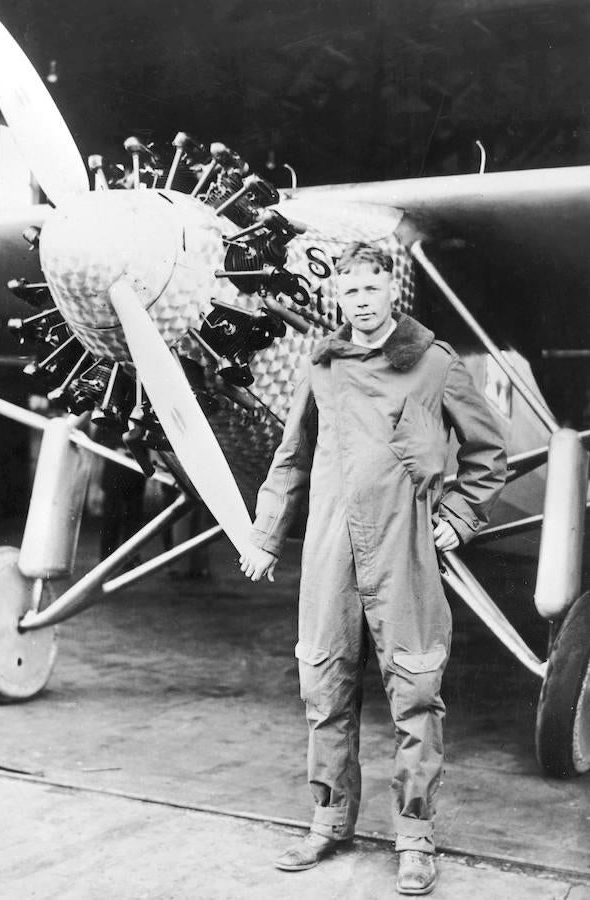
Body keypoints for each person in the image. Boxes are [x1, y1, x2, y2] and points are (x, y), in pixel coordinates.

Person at [240, 242, 506, 895]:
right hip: (331, 549)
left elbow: (487, 451)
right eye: (349, 291)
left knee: (415, 692)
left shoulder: (433, 364)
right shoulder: (322, 367)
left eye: (370, 288)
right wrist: (267, 534)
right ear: (341, 297)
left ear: (391, 292)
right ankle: (329, 822)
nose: (359, 300)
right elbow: (290, 458)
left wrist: (459, 516)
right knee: (323, 686)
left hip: (402, 546)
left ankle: (415, 840)